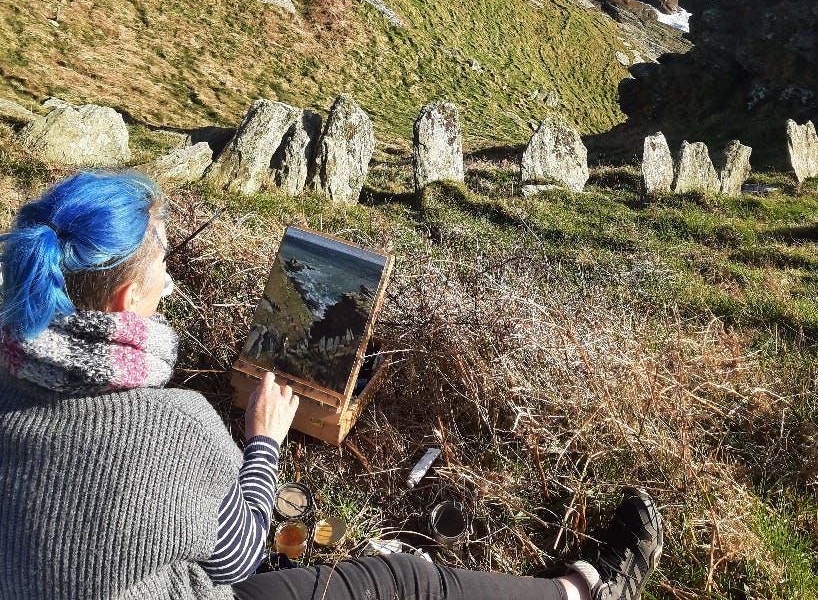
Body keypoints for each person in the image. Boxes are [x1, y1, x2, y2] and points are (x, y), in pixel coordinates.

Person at [0, 171, 663, 600]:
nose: (170, 284)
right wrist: (263, 444)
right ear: (123, 299)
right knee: (403, 578)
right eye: (162, 268)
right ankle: (586, 590)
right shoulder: (171, 424)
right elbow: (236, 557)